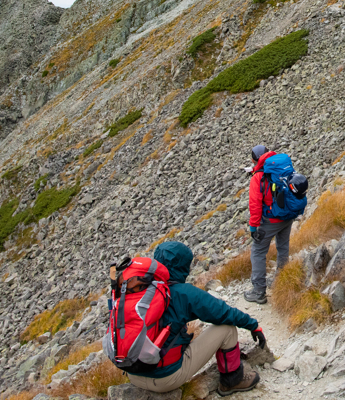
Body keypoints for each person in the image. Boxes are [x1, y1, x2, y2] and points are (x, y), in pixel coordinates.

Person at [125, 241, 266, 396]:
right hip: (166, 379)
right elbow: (223, 312)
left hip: (133, 373)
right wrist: (253, 325)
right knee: (227, 329)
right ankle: (232, 381)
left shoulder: (137, 289)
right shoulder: (184, 293)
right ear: (183, 266)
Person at [244, 144, 295, 304]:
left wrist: (253, 227)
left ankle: (258, 292)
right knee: (283, 247)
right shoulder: (282, 165)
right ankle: (282, 280)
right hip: (287, 215)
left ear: (254, 160)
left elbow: (255, 204)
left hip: (271, 220)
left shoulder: (258, 177)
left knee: (258, 252)